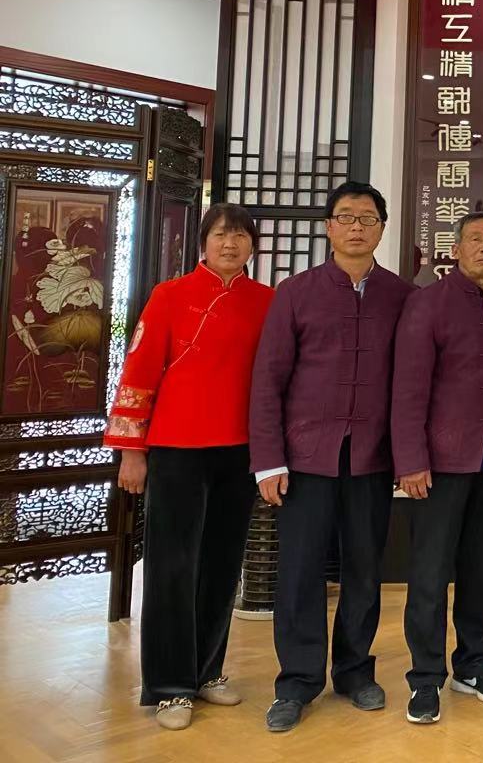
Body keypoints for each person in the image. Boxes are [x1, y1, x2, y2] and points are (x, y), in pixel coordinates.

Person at [249, 181, 416, 733]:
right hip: (305, 459)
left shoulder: (401, 295)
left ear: (382, 228)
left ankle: (354, 671)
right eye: (345, 217)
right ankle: (297, 682)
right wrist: (268, 459)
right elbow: (268, 380)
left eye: (367, 218)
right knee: (299, 572)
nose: (356, 227)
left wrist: (409, 455)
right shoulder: (295, 292)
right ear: (328, 227)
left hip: (372, 458)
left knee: (364, 569)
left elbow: (412, 384)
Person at [105, 204, 273, 731]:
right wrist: (132, 451)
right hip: (176, 449)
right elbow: (138, 370)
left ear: (253, 246)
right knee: (171, 567)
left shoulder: (266, 301)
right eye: (221, 234)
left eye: (241, 235)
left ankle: (206, 671)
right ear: (203, 242)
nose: (231, 243)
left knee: (222, 564)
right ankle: (169, 686)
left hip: (239, 452)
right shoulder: (169, 295)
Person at [391, 211, 483, 725]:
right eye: (475, 239)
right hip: (439, 463)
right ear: (457, 248)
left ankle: (474, 665)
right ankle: (425, 677)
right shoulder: (428, 303)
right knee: (429, 574)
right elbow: (408, 389)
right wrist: (410, 460)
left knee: (482, 573)